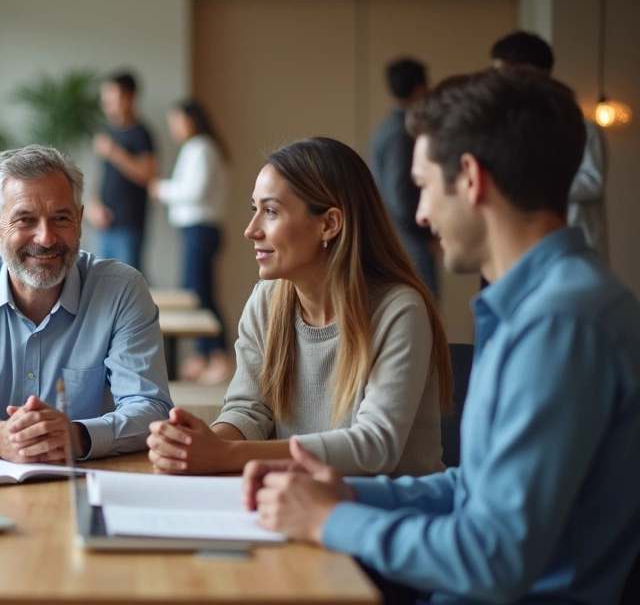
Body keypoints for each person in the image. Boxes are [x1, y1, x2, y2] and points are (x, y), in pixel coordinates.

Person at [246, 69, 640, 604]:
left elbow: (493, 556)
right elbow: (472, 488)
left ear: (472, 180)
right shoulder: (531, 306)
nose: (422, 214)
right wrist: (345, 492)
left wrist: (333, 520)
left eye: (424, 186)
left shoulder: (559, 322)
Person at [146, 137, 451, 479]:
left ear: (329, 224)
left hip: (392, 518)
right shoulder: (266, 300)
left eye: (271, 211)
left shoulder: (399, 311)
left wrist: (227, 454)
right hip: (298, 507)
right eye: (254, 209)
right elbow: (248, 413)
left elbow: (374, 446)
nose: (251, 230)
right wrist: (197, 447)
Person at [0, 144, 173, 462]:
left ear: (78, 219)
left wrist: (76, 436)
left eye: (60, 218)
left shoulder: (122, 290)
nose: (46, 238)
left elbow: (151, 409)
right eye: (25, 220)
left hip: (93, 480)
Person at [491, 30, 609, 265]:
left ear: (533, 73)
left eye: (505, 74)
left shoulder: (586, 130)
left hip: (576, 247)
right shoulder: (506, 130)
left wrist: (532, 183)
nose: (499, 84)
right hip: (520, 249)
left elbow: (592, 182)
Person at [148, 99, 232, 384]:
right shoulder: (198, 147)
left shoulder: (201, 148)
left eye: (176, 121)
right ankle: (203, 356)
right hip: (196, 230)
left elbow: (194, 191)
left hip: (201, 228)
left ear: (190, 120)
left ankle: (219, 358)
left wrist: (162, 189)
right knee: (196, 291)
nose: (174, 127)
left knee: (202, 294)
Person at [370, 57, 438, 298]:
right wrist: (426, 236)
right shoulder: (402, 133)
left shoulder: (386, 128)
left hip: (401, 240)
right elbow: (400, 196)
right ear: (420, 89)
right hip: (410, 244)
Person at [87, 70, 156, 271]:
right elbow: (102, 176)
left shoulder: (142, 134)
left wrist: (114, 153)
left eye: (112, 97)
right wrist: (93, 203)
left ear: (130, 97)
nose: (107, 103)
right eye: (104, 98)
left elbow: (148, 175)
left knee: (127, 286)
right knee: (101, 285)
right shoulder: (108, 132)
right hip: (104, 224)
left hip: (129, 226)